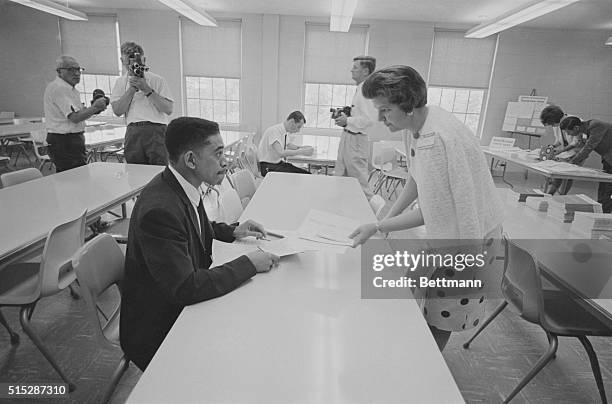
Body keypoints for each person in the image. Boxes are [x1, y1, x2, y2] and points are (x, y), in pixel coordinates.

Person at [349, 66, 505, 350]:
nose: (380, 119)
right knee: (418, 290)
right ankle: (416, 355)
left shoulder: (435, 140)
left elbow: (433, 212)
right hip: (456, 232)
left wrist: (378, 226)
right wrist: (389, 215)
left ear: (407, 105)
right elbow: (417, 179)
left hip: (469, 239)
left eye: (385, 110)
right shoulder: (417, 125)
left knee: (441, 314)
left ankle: (426, 373)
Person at [120, 117, 280, 370]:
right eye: (218, 154)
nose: (226, 161)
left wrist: (234, 231)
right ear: (191, 160)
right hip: (161, 327)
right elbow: (186, 288)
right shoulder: (160, 210)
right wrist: (249, 263)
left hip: (180, 303)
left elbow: (194, 228)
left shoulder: (181, 185)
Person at [111, 41, 173, 165]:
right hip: (133, 131)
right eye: (128, 61)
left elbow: (168, 109)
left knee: (159, 171)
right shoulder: (120, 83)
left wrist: (147, 89)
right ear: (122, 61)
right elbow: (118, 111)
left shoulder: (157, 80)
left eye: (136, 59)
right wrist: (132, 89)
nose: (132, 64)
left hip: (157, 130)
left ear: (143, 59)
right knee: (135, 172)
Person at [43, 56, 108, 172]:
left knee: (79, 176)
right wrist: (95, 107)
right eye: (71, 70)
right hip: (63, 141)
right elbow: (75, 118)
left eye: (79, 70)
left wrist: (94, 109)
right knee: (71, 179)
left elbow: (80, 114)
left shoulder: (71, 90)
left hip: (73, 139)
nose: (77, 73)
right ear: (59, 71)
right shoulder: (58, 88)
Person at [334, 55, 378, 200]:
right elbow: (360, 113)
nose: (351, 70)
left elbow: (369, 119)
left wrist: (348, 120)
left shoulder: (366, 90)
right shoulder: (360, 89)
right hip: (349, 137)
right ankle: (343, 207)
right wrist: (348, 114)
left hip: (356, 140)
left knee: (359, 183)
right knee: (341, 175)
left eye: (355, 68)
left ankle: (371, 217)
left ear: (365, 71)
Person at [559, 116, 612, 213]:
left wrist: (571, 163)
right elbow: (582, 146)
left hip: (610, 157)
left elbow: (588, 147)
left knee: (608, 187)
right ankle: (602, 209)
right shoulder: (586, 130)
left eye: (568, 132)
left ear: (576, 128)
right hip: (607, 158)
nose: (568, 134)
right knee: (603, 185)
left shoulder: (595, 126)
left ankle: (606, 212)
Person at [539, 105, 582, 194]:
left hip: (577, 152)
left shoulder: (573, 121)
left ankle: (562, 195)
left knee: (568, 175)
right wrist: (552, 146)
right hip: (566, 152)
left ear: (555, 119)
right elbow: (559, 140)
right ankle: (550, 193)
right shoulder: (557, 123)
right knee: (559, 173)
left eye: (551, 123)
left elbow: (575, 143)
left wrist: (561, 151)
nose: (552, 126)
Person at [257, 111, 313, 176]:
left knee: (307, 174)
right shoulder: (274, 131)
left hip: (277, 164)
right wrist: (302, 151)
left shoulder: (284, 131)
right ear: (292, 122)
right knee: (303, 176)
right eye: (298, 127)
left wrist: (302, 147)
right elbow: (281, 153)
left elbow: (289, 145)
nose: (298, 130)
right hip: (268, 167)